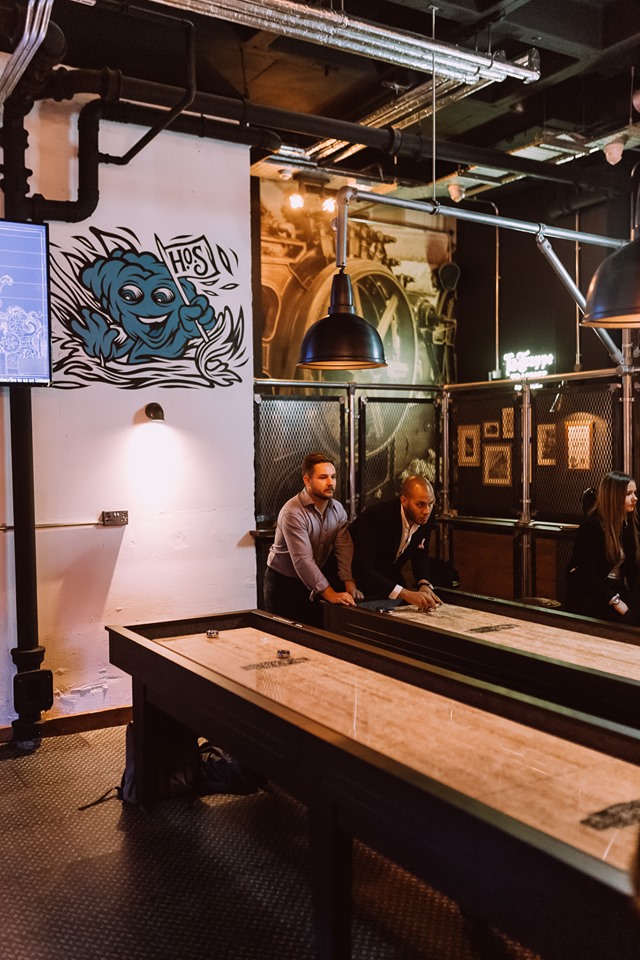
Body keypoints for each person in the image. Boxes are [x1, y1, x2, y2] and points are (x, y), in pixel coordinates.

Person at [263, 452, 359, 627]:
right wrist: (330, 594)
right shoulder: (292, 512)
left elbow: (344, 546)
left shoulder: (337, 509)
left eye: (333, 477)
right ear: (307, 481)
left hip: (314, 580)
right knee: (285, 641)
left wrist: (349, 582)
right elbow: (303, 561)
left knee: (314, 640)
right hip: (284, 584)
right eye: (323, 477)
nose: (330, 483)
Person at [349, 475, 441, 611]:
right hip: (354, 585)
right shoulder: (376, 518)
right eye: (420, 504)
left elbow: (421, 553)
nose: (427, 511)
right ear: (403, 501)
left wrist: (424, 583)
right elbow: (362, 568)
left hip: (388, 579)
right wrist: (406, 593)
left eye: (430, 503)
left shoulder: (426, 516)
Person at [565, 470, 640, 624]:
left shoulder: (625, 524)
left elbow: (631, 568)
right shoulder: (592, 526)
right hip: (588, 593)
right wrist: (615, 600)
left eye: (635, 493)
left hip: (613, 588)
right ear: (614, 497)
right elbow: (587, 574)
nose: (635, 498)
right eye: (628, 494)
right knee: (628, 619)